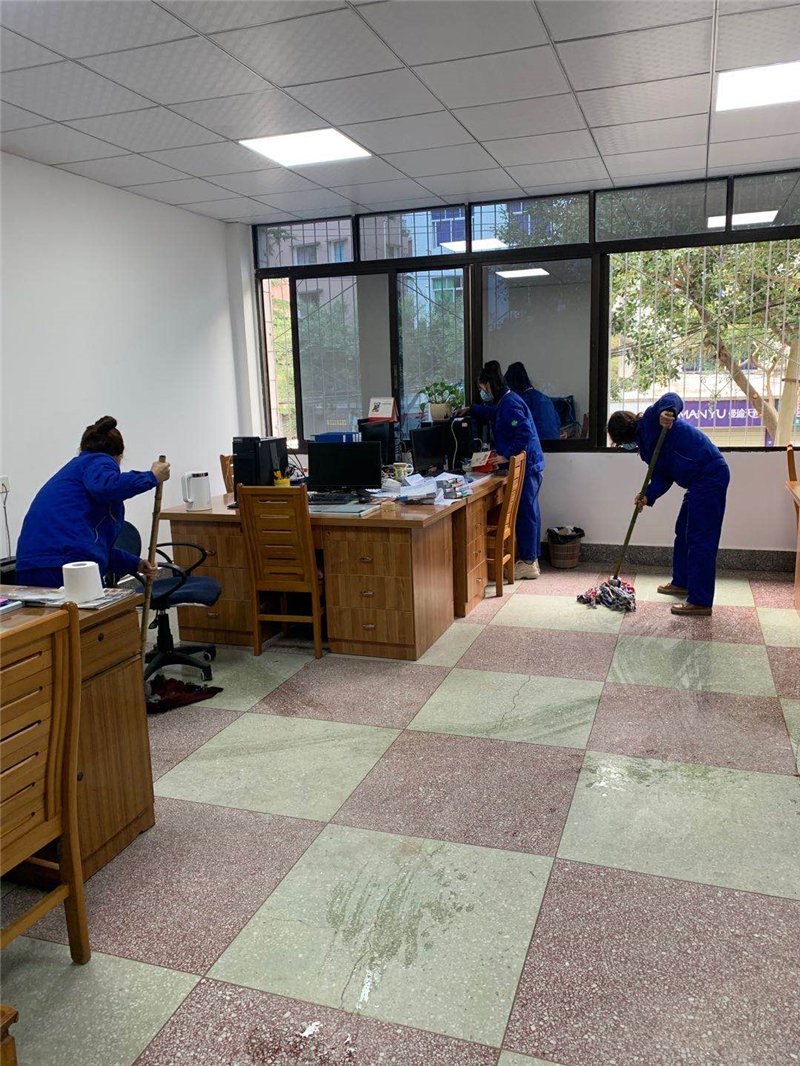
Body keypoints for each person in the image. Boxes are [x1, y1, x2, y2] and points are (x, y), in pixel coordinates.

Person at [608, 392, 730, 616]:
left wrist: (668, 412)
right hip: (696, 482)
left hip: (710, 475)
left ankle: (701, 601)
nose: (625, 446)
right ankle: (682, 582)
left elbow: (672, 397)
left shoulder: (652, 419)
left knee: (700, 538)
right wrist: (647, 495)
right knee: (682, 531)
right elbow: (663, 477)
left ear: (625, 434)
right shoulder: (646, 448)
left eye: (622, 443)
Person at [15, 416, 171, 588]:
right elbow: (106, 487)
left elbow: (96, 548)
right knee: (94, 606)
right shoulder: (99, 461)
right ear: (119, 456)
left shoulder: (75, 471)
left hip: (32, 564)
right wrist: (151, 477)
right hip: (67, 564)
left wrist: (136, 564)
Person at [460, 361, 545, 580]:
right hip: (531, 464)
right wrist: (472, 409)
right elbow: (493, 412)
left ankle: (529, 562)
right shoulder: (506, 400)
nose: (483, 393)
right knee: (530, 512)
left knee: (526, 513)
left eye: (482, 388)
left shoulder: (510, 403)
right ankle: (531, 559)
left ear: (489, 384)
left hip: (528, 466)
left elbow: (524, 432)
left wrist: (506, 455)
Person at [504, 361, 562, 441]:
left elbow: (516, 422)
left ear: (512, 385)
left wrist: (509, 422)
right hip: (556, 444)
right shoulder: (545, 398)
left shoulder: (522, 401)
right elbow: (557, 422)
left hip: (538, 445)